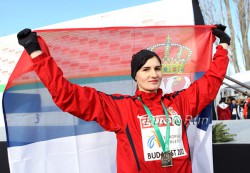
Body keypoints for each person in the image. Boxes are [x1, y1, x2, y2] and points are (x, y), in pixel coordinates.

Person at [16, 24, 230, 173]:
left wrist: (223, 46)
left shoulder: (179, 102)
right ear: (135, 75)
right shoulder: (121, 108)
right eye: (145, 69)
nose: (153, 74)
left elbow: (211, 82)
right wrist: (36, 52)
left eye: (157, 68)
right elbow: (67, 95)